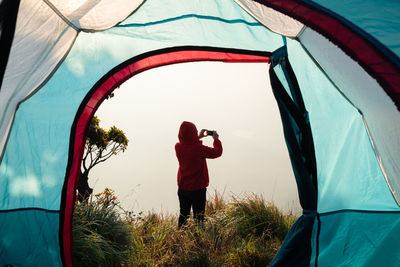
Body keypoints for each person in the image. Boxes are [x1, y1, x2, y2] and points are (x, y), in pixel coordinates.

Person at [175, 121, 223, 228]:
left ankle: (180, 235)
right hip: (197, 189)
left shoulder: (178, 147)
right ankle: (198, 241)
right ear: (192, 134)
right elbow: (217, 152)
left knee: (183, 214)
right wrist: (216, 139)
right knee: (199, 217)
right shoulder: (198, 149)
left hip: (183, 188)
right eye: (195, 131)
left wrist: (199, 137)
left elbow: (189, 144)